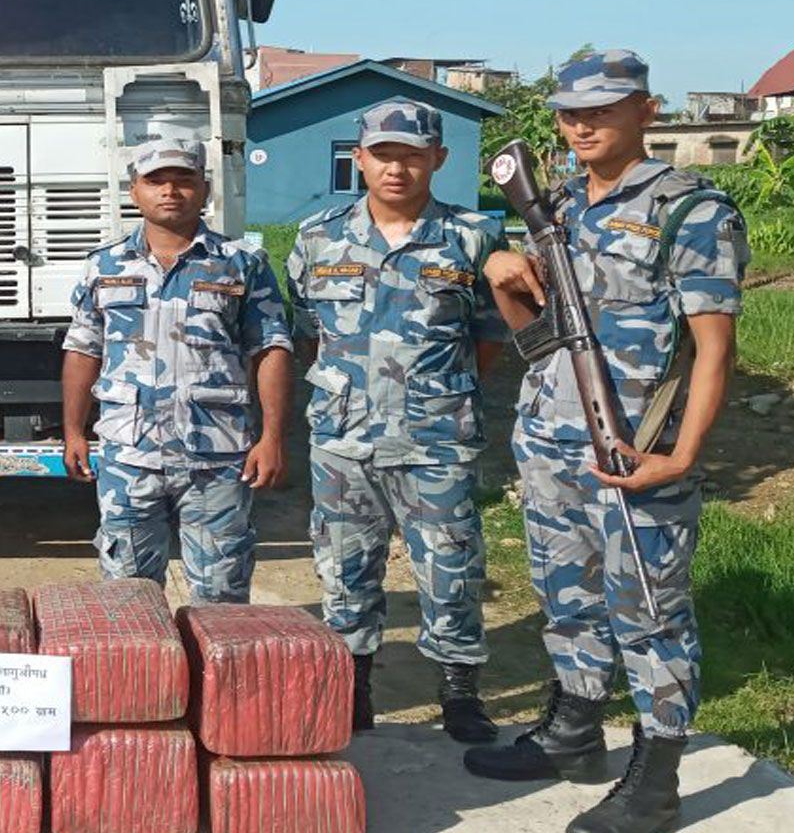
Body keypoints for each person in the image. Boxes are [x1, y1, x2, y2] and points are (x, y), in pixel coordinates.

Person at [463, 50, 748, 833]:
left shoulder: (691, 209)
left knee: (650, 613)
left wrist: (683, 455)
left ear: (646, 112)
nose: (581, 123)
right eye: (568, 111)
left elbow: (714, 348)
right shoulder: (558, 206)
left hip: (635, 448)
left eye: (603, 108)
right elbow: (543, 340)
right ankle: (573, 733)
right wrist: (504, 281)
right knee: (567, 596)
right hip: (553, 436)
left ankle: (655, 784)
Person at [286, 99, 508, 743]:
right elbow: (309, 334)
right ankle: (353, 688)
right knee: (344, 568)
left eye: (413, 155)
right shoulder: (317, 238)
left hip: (437, 439)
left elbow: (488, 337)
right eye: (383, 155)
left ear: (437, 159)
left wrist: (435, 391)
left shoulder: (473, 238)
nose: (397, 168)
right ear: (359, 159)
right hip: (343, 441)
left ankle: (459, 691)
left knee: (451, 566)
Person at [60, 137, 293, 604]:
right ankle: (145, 678)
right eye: (156, 181)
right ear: (135, 192)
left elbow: (270, 348)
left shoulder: (241, 263)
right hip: (129, 453)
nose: (170, 190)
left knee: (221, 595)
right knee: (128, 593)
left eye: (184, 180)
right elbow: (84, 348)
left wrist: (271, 438)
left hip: (216, 454)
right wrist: (73, 431)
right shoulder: (103, 265)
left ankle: (213, 677)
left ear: (205, 190)